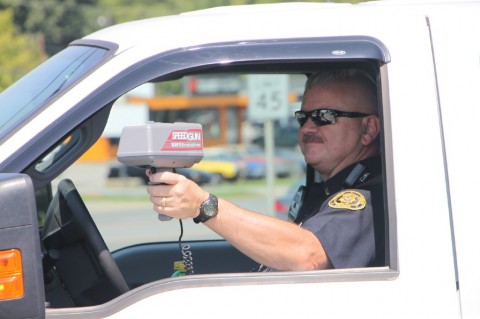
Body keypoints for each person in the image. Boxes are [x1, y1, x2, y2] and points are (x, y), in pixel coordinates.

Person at [146, 68, 384, 271]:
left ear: (368, 129)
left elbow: (308, 256)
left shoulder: (369, 198)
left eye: (325, 116)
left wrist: (202, 205)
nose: (308, 127)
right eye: (303, 117)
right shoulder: (327, 190)